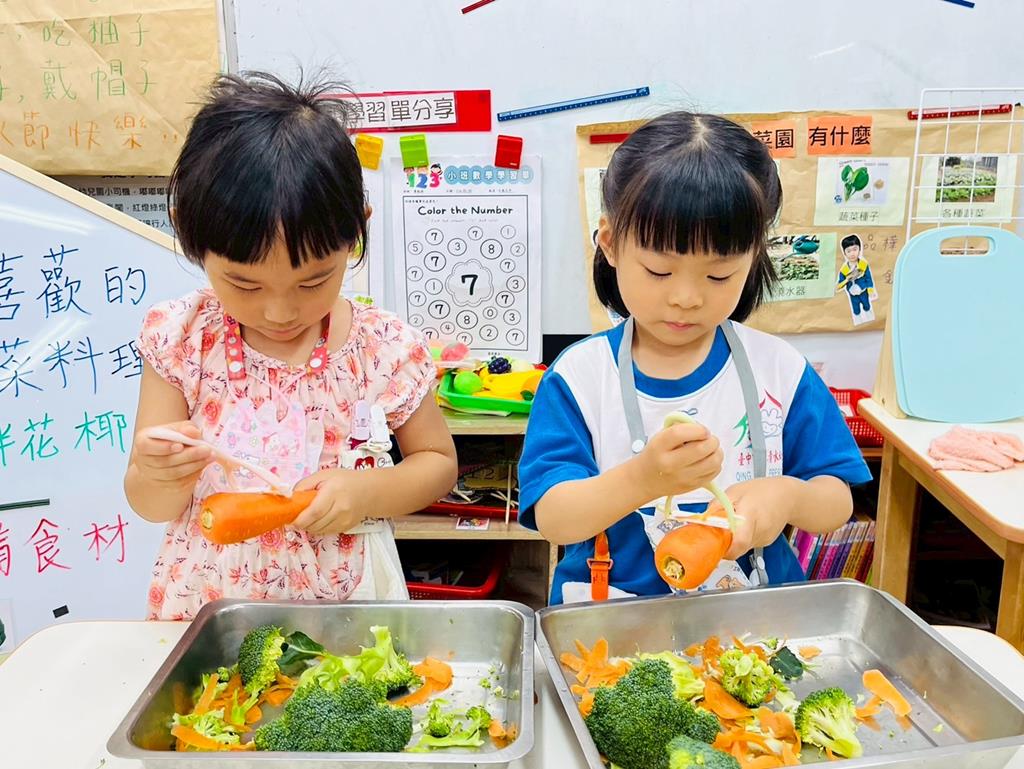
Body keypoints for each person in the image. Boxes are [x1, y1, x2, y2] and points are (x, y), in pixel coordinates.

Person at [124, 72, 458, 620]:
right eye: (245, 285)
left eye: (313, 282)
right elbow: (150, 503)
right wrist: (159, 474)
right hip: (210, 603)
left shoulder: (383, 348)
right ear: (188, 233)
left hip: (343, 605)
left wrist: (369, 492)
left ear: (357, 230)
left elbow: (438, 463)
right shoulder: (183, 339)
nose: (280, 312)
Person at [518, 112, 871, 605]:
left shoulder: (780, 369)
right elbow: (554, 519)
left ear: (754, 257)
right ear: (611, 244)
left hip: (753, 615)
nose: (686, 298)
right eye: (659, 271)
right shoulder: (580, 377)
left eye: (719, 276)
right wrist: (643, 479)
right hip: (613, 616)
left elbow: (836, 500)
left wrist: (787, 495)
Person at [836, 234, 877, 324]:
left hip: (863, 293)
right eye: (849, 251)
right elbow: (839, 286)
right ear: (844, 253)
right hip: (853, 296)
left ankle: (870, 321)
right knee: (856, 311)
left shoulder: (863, 265)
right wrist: (847, 279)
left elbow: (869, 279)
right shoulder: (844, 270)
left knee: (867, 307)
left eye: (855, 249)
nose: (852, 254)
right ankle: (858, 323)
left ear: (859, 249)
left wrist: (870, 290)